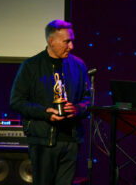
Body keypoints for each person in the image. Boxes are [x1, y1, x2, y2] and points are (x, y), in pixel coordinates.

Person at [10, 20, 90, 185]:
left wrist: (77, 109)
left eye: (72, 40)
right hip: (43, 140)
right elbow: (16, 101)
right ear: (51, 41)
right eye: (66, 41)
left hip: (71, 140)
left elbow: (88, 100)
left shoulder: (78, 65)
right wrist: (45, 113)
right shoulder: (30, 66)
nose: (71, 46)